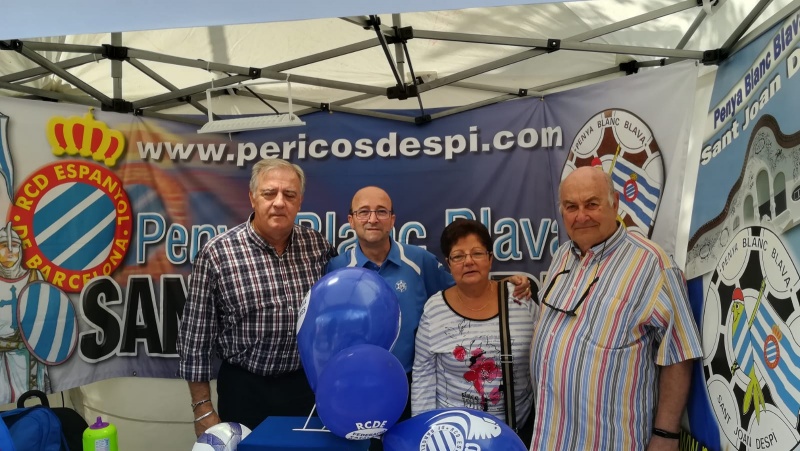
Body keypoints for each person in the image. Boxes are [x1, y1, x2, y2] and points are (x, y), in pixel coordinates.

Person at [529, 166, 702, 451]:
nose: (581, 216)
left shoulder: (652, 264)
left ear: (615, 204)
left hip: (609, 441)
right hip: (550, 436)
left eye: (591, 204)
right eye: (571, 207)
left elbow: (679, 353)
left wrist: (665, 434)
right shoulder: (562, 256)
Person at [177, 159, 336, 437]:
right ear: (252, 198)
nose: (279, 202)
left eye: (289, 195)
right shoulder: (217, 254)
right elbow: (195, 340)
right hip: (244, 390)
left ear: (299, 202)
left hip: (304, 387)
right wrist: (202, 409)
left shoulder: (318, 247)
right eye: (269, 193)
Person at [411, 219, 537, 446]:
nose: (468, 261)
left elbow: (544, 359)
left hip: (516, 434)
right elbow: (423, 377)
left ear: (490, 258)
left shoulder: (519, 299)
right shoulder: (434, 309)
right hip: (455, 437)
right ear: (449, 264)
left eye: (477, 253)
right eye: (458, 256)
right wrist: (425, 436)